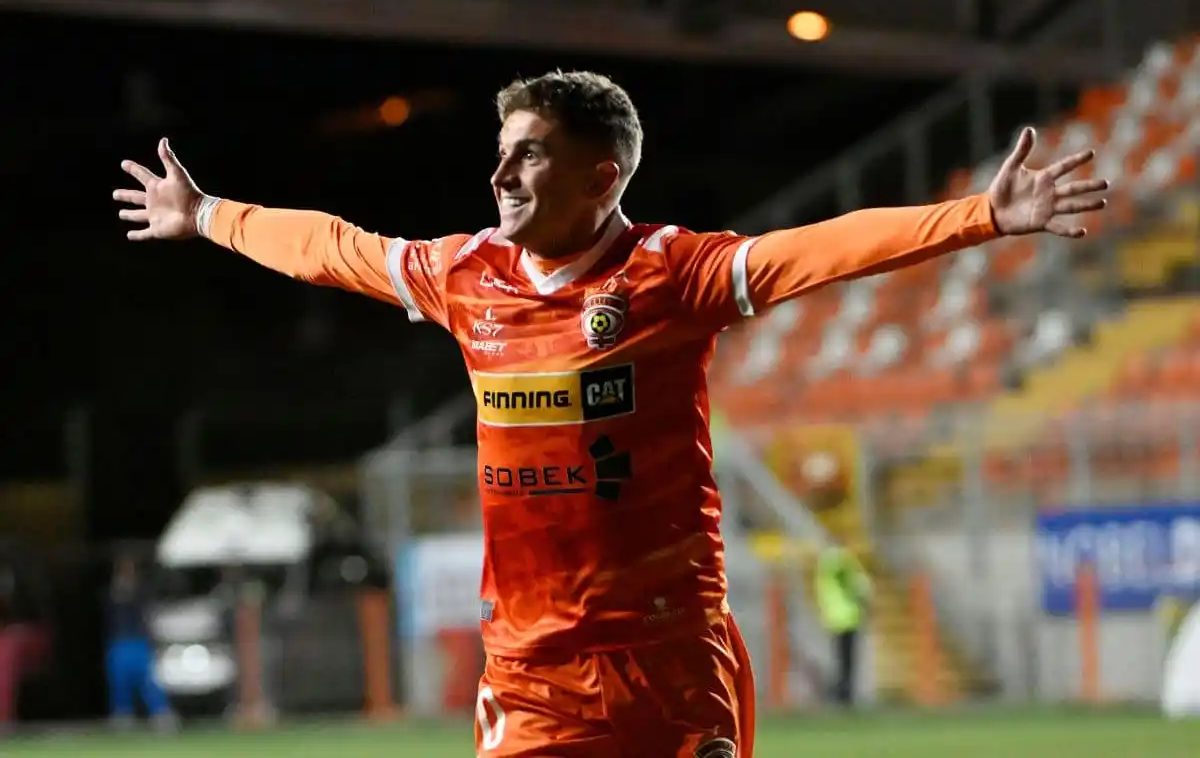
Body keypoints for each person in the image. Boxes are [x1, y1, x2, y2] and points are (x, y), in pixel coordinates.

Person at [113, 70, 1107, 757]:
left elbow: (823, 246)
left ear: (601, 176)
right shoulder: (466, 274)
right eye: (502, 152)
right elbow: (335, 245)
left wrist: (980, 213)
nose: (500, 174)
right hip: (533, 669)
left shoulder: (674, 275)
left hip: (670, 660)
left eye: (530, 155)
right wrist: (206, 215)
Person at [105, 555, 174, 729]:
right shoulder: (112, 594)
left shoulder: (142, 593)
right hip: (120, 643)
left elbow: (148, 616)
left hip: (139, 642)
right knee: (120, 682)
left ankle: (160, 713)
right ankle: (123, 714)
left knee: (148, 681)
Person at [814, 541, 871, 707]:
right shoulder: (842, 566)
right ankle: (843, 695)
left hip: (836, 619)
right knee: (846, 662)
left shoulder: (826, 568)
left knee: (841, 661)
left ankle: (842, 694)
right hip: (846, 619)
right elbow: (859, 585)